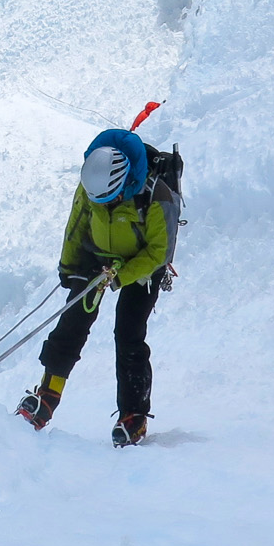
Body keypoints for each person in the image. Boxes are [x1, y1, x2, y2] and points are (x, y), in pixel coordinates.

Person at [16, 128, 170, 446]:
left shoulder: (156, 197)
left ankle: (134, 415)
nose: (102, 203)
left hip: (142, 267)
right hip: (99, 256)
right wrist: (70, 267)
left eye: (109, 199)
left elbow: (158, 252)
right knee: (72, 321)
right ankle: (48, 394)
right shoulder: (93, 185)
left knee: (129, 333)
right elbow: (77, 223)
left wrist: (122, 275)